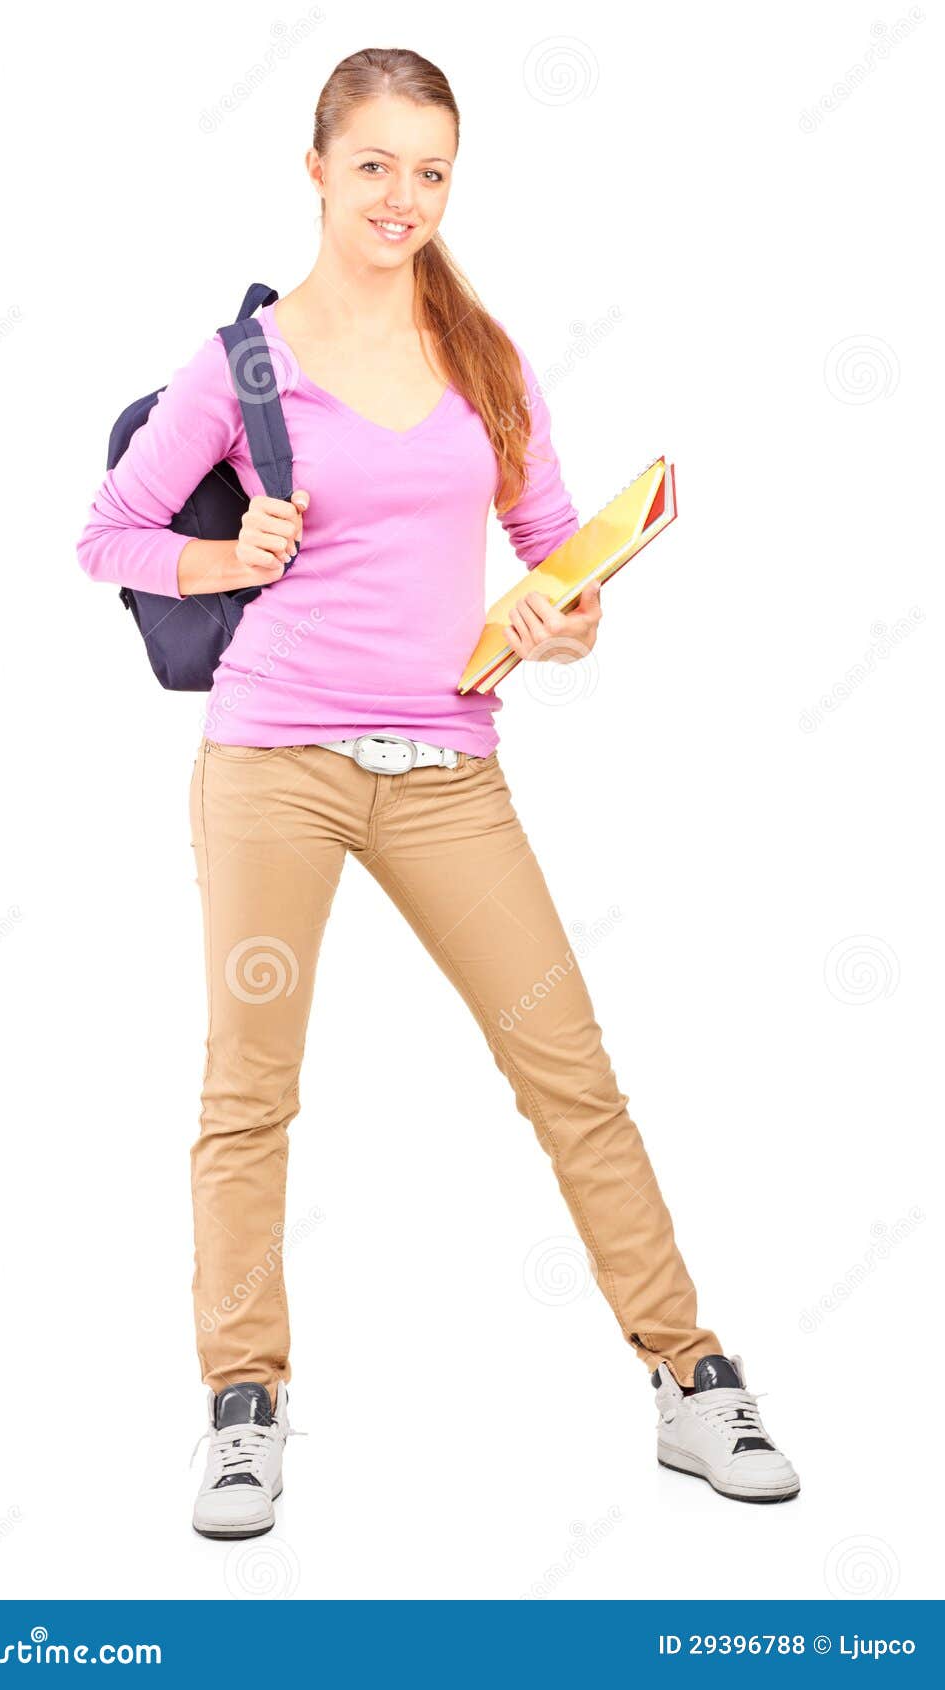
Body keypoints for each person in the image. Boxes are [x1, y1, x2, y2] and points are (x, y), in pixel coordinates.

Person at [77, 47, 798, 1538]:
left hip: (447, 763)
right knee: (247, 1093)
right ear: (318, 171)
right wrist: (233, 559)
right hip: (271, 760)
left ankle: (692, 1372)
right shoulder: (245, 365)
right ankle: (243, 1405)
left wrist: (566, 616)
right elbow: (110, 532)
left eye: (430, 171)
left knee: (572, 1073)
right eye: (374, 166)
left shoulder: (485, 355)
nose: (402, 197)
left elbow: (555, 555)